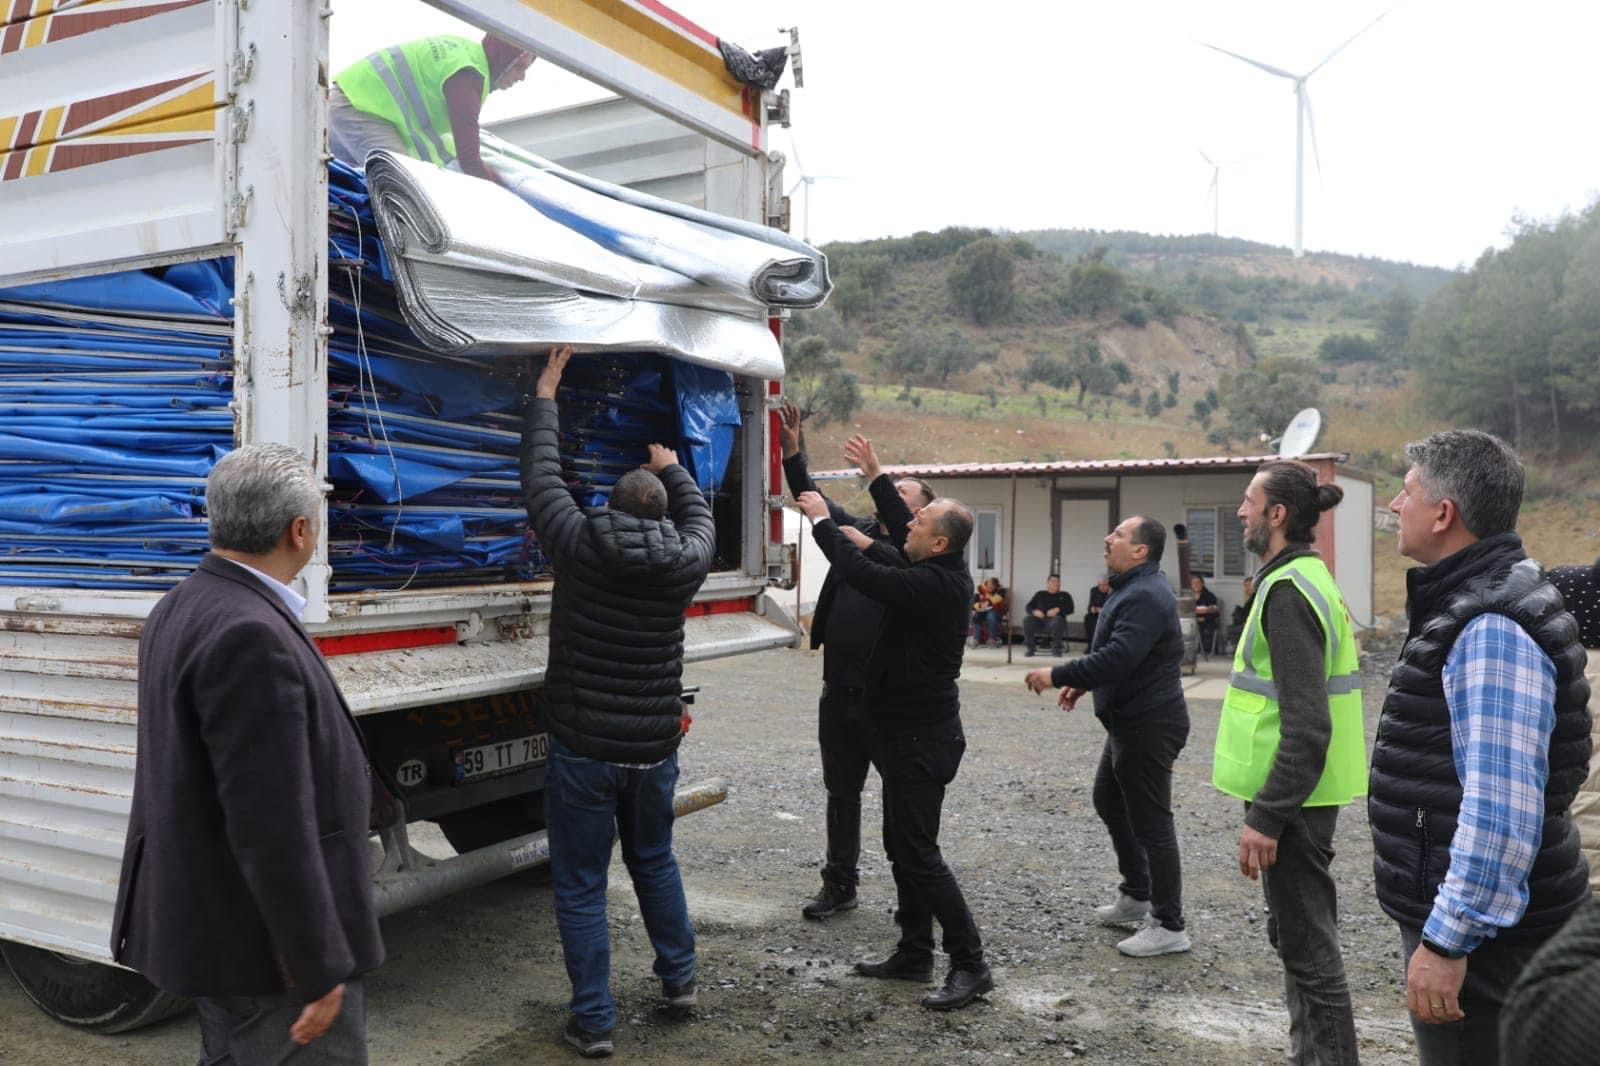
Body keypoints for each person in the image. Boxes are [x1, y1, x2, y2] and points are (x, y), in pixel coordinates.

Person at [110, 444, 384, 1064]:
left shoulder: (181, 604)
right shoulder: (251, 633)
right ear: (299, 531)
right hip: (268, 957)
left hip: (219, 929)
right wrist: (317, 964)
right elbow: (271, 825)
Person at [1369, 429, 1590, 1065]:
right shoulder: (1477, 598)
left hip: (1490, 948)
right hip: (1492, 930)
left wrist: (1447, 940)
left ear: (1443, 514)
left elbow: (1500, 810)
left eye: (1406, 492)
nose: (1395, 505)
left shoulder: (1490, 624)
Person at [521, 346, 715, 1058]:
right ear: (663, 515)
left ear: (606, 505)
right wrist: (674, 468)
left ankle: (595, 1023)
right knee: (654, 860)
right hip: (654, 749)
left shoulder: (578, 541)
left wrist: (547, 392)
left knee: (580, 885)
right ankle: (679, 982)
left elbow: (542, 477)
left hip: (584, 749)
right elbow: (701, 521)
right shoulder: (686, 561)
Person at [794, 488, 994, 1012]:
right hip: (906, 735)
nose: (909, 523)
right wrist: (871, 497)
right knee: (903, 848)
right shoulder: (933, 568)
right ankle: (914, 953)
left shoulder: (934, 584)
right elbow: (890, 550)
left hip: (922, 741)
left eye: (919, 521)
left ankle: (971, 963)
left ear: (940, 543)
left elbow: (865, 574)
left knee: (920, 855)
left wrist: (824, 524)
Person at [1213, 461, 1367, 1066]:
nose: (1241, 511)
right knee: (1298, 941)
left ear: (1277, 515)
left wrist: (1267, 815)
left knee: (1309, 952)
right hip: (1303, 796)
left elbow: (1307, 723)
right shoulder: (1305, 576)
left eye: (1249, 502)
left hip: (1294, 801)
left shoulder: (1287, 592)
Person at [777, 402, 930, 920]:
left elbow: (894, 551)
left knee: (900, 799)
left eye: (906, 495)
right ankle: (839, 884)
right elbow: (814, 502)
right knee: (841, 793)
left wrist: (873, 506)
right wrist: (792, 450)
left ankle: (912, 896)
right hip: (837, 689)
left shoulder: (917, 560)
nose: (894, 497)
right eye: (894, 490)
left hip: (886, 700)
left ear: (921, 516)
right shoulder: (857, 532)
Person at [1025, 517, 1192, 958]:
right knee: (1109, 799)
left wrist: (1057, 672)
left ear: (1140, 551)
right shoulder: (1131, 587)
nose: (1107, 538)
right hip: (1128, 721)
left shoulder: (1145, 594)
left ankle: (1169, 924)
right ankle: (1137, 893)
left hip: (1149, 725)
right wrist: (1082, 684)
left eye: (1118, 534)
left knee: (1153, 823)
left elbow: (1119, 657)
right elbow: (1117, 651)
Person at [330, 33, 535, 184]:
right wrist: (504, 190)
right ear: (503, 58)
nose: (522, 77)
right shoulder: (467, 76)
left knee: (335, 185)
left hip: (348, 101)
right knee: (404, 187)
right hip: (359, 109)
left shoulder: (465, 53)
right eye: (520, 67)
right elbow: (470, 160)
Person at [1023, 574, 1075, 657]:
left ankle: (1056, 649)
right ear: (1048, 583)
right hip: (1039, 620)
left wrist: (1058, 609)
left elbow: (1071, 609)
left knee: (1058, 620)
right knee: (1027, 620)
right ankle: (1030, 649)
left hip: (1055, 621)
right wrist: (1034, 612)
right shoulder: (1040, 594)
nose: (1056, 583)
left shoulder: (1065, 595)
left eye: (1058, 581)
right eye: (1053, 581)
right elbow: (1028, 607)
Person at [1190, 574, 1222, 655]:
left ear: (1203, 584)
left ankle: (1202, 650)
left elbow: (1215, 613)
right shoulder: (1189, 597)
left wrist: (1202, 619)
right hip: (1191, 622)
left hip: (1206, 622)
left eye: (1198, 582)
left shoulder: (1210, 596)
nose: (1196, 585)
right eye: (1194, 583)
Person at [971, 577, 1006, 647]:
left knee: (991, 616)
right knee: (976, 616)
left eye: (992, 586)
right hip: (982, 610)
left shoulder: (1001, 590)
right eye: (989, 585)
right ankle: (976, 639)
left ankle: (992, 639)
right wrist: (979, 606)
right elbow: (974, 603)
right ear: (986, 585)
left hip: (995, 610)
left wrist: (987, 603)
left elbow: (997, 599)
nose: (990, 587)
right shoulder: (980, 590)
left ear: (996, 586)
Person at [1226, 574, 1257, 651]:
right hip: (1246, 622)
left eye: (1249, 586)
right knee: (1231, 628)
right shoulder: (1250, 598)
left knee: (1233, 629)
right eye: (1245, 586)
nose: (1246, 589)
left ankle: (1238, 649)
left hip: (1253, 623)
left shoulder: (1256, 597)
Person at [1085, 574, 1111, 649]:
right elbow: (1090, 605)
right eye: (1100, 585)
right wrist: (1091, 608)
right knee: (1088, 618)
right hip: (1096, 614)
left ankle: (1102, 646)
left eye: (1104, 585)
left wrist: (1102, 610)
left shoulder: (1113, 591)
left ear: (1108, 584)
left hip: (1108, 615)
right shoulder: (1094, 590)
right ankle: (1091, 644)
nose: (1102, 587)